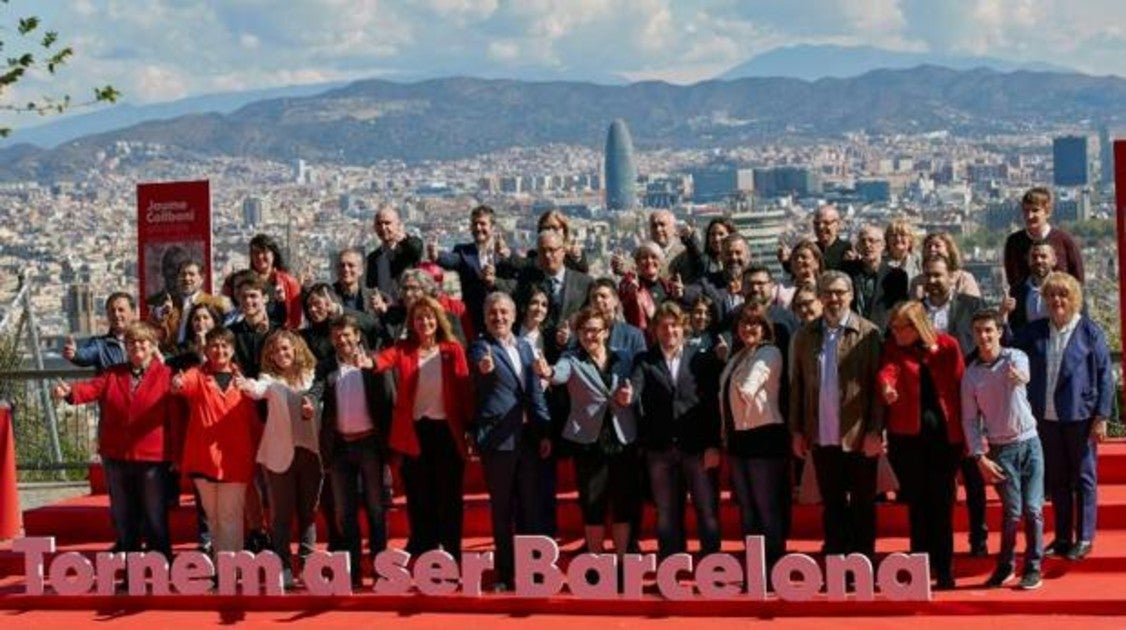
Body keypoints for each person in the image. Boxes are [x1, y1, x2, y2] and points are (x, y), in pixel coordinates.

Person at [52, 322, 176, 560]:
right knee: (123, 516)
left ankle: (162, 565)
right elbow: (90, 389)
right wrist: (69, 393)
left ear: (153, 346)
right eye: (132, 343)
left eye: (143, 342)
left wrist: (176, 454)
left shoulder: (166, 375)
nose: (137, 347)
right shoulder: (113, 373)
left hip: (153, 457)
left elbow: (174, 419)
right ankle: (131, 569)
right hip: (117, 456)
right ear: (126, 348)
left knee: (154, 517)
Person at [1013, 272, 1112, 562]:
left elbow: (1105, 375)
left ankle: (1084, 537)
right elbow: (1008, 343)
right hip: (1046, 416)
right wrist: (1004, 315)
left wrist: (1102, 415)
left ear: (1074, 299)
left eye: (1063, 295)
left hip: (1080, 415)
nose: (1057, 300)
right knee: (1056, 479)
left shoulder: (1090, 331)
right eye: (1052, 295)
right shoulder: (1037, 330)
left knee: (1083, 477)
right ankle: (1063, 536)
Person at [789, 271, 884, 558]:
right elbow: (798, 385)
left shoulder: (869, 334)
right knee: (832, 503)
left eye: (840, 292)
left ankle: (862, 561)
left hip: (858, 434)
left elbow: (878, 388)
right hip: (821, 434)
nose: (834, 299)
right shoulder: (805, 335)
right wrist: (796, 430)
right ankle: (836, 558)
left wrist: (875, 430)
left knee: (863, 504)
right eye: (828, 293)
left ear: (851, 296)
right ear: (819, 297)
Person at [372, 296, 472, 560]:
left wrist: (470, 427)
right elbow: (382, 360)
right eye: (419, 318)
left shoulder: (452, 349)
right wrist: (366, 361)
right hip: (416, 434)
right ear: (412, 323)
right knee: (419, 495)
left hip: (447, 433)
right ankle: (425, 549)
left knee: (449, 497)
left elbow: (463, 391)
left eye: (429, 317)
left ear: (437, 320)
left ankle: (452, 550)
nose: (424, 322)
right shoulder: (405, 349)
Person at [534, 307, 638, 560]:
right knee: (593, 504)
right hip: (588, 442)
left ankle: (623, 562)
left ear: (605, 332)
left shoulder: (624, 357)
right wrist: (546, 372)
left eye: (595, 330)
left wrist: (631, 395)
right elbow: (558, 375)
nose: (590, 335)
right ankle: (597, 564)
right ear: (578, 333)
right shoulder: (572, 359)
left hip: (622, 438)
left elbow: (636, 385)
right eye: (584, 331)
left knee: (623, 502)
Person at [468, 293, 552, 591]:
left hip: (527, 441)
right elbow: (480, 365)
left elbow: (535, 393)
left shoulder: (527, 348)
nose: (499, 317)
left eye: (504, 312)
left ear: (514, 316)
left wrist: (544, 432)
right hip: (498, 443)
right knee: (502, 511)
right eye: (492, 312)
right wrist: (484, 366)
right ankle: (505, 574)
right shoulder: (481, 346)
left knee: (530, 508)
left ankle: (533, 571)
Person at [878, 302, 965, 590]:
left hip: (943, 439)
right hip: (908, 439)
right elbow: (888, 370)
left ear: (915, 327)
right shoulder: (894, 347)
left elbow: (960, 385)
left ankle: (945, 569)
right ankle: (920, 567)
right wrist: (887, 387)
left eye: (899, 327)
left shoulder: (948, 346)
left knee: (941, 505)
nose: (894, 332)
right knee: (917, 505)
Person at [631, 302, 722, 558]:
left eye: (674, 325)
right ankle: (672, 566)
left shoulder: (702, 359)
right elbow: (635, 388)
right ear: (655, 330)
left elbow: (712, 406)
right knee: (667, 513)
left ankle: (712, 566)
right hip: (659, 449)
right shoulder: (645, 360)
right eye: (663, 326)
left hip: (697, 447)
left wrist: (714, 444)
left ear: (683, 328)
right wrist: (627, 395)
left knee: (707, 510)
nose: (669, 330)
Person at [961, 309, 1044, 590]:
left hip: (1030, 442)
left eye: (989, 330)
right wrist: (979, 456)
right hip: (999, 450)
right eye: (978, 331)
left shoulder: (1015, 357)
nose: (984, 336)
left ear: (998, 332)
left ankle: (1033, 567)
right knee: (1012, 511)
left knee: (1033, 510)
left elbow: (1025, 375)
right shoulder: (970, 375)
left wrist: (1020, 377)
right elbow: (970, 420)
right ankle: (1006, 564)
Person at [237, 330, 321, 589]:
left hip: (311, 454)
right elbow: (258, 389)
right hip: (279, 456)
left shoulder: (313, 374)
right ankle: (283, 565)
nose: (281, 354)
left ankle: (308, 566)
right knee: (281, 515)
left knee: (308, 514)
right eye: (276, 351)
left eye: (286, 349)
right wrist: (245, 384)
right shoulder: (269, 379)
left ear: (296, 349)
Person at [318, 314, 396, 586]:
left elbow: (389, 402)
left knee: (377, 509)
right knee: (345, 513)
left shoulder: (373, 363)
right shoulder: (326, 367)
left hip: (370, 445)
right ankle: (352, 574)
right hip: (339, 447)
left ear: (357, 336)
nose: (342, 341)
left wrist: (389, 448)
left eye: (347, 335)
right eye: (337, 336)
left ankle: (381, 570)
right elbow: (316, 392)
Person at [172, 327, 261, 560]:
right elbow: (183, 385)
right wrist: (177, 383)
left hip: (236, 458)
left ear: (232, 350)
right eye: (214, 345)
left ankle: (230, 567)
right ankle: (223, 567)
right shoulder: (198, 375)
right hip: (204, 458)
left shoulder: (244, 381)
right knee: (213, 517)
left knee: (230, 516)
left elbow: (255, 420)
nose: (219, 350)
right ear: (206, 349)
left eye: (224, 346)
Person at [718, 306, 790, 568]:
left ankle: (773, 562)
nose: (749, 329)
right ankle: (754, 560)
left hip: (764, 436)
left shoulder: (770, 352)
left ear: (764, 328)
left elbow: (757, 376)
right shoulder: (737, 356)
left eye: (754, 325)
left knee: (766, 504)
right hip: (738, 438)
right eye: (744, 324)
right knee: (746, 505)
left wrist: (746, 390)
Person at [431, 205, 513, 335]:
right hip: (473, 321)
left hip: (501, 320)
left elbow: (512, 285)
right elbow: (451, 260)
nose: (478, 228)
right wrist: (436, 255)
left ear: (492, 227)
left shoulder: (504, 253)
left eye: (482, 224)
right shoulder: (464, 252)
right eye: (475, 224)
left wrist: (496, 277)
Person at [1003, 187, 1084, 290]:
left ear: (1047, 212)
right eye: (1026, 211)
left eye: (1035, 210)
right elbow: (1013, 281)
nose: (1029, 216)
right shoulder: (1014, 242)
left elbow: (1078, 280)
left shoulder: (1065, 241)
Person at [842, 225, 909, 332]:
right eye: (863, 241)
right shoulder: (847, 271)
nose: (867, 245)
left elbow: (899, 310)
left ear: (882, 245)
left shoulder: (896, 276)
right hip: (851, 333)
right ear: (858, 246)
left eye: (872, 241)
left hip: (881, 336)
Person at [619, 242, 682, 342]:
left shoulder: (668, 287)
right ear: (637, 263)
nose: (649, 261)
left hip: (666, 342)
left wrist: (678, 297)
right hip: (641, 344)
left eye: (654, 257)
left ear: (661, 262)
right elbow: (624, 299)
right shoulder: (632, 284)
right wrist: (631, 293)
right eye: (644, 258)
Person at [62, 291, 136, 371]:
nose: (116, 314)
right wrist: (74, 355)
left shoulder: (144, 341)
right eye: (112, 311)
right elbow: (87, 354)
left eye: (121, 310)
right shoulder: (100, 345)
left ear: (133, 313)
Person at [365, 205, 424, 301]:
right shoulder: (373, 258)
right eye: (379, 224)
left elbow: (416, 249)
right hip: (385, 312)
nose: (383, 228)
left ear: (398, 225)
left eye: (387, 223)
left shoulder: (408, 250)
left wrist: (405, 240)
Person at [779, 205, 852, 272]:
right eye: (817, 223)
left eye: (826, 223)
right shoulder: (811, 249)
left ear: (838, 224)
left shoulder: (847, 248)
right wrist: (786, 262)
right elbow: (798, 272)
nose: (821, 227)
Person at [909, 233, 981, 300]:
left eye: (937, 246)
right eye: (929, 246)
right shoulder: (917, 281)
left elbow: (974, 307)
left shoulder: (964, 279)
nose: (932, 249)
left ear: (949, 250)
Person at [1007, 241, 1055, 333]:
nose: (1039, 260)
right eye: (1034, 257)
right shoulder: (1017, 291)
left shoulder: (1068, 288)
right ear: (1028, 260)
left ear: (1053, 260)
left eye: (1043, 256)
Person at [331, 248, 378, 315]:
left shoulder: (372, 296)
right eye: (342, 265)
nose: (346, 269)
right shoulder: (329, 296)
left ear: (361, 270)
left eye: (351, 265)